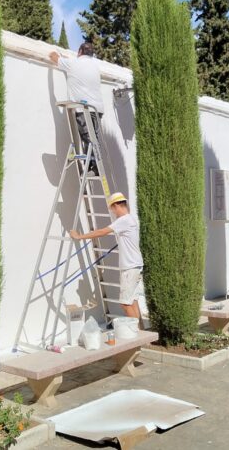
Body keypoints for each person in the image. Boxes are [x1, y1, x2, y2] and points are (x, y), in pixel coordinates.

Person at [69, 192, 144, 323]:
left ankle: (135, 336)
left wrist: (79, 236)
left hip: (130, 268)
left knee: (125, 304)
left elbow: (102, 232)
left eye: (112, 209)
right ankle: (139, 333)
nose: (113, 213)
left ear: (116, 205)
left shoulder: (124, 220)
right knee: (132, 301)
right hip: (135, 266)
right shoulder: (131, 219)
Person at [49, 43, 105, 175]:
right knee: (93, 137)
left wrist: (55, 53)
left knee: (88, 138)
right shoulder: (95, 66)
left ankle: (94, 167)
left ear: (80, 51)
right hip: (97, 109)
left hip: (83, 109)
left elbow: (53, 57)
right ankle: (93, 166)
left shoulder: (73, 63)